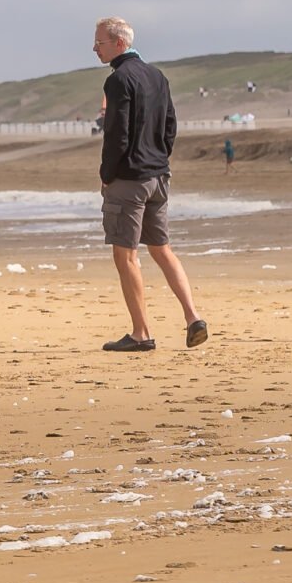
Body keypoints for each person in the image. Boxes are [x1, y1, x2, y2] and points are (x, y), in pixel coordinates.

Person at [93, 17, 207, 351]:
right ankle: (192, 316)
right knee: (161, 249)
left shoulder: (118, 80)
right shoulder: (157, 76)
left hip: (130, 178)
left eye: (99, 42)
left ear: (119, 43)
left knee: (125, 255)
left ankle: (141, 333)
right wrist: (158, 158)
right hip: (158, 176)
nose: (94, 48)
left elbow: (117, 134)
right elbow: (170, 126)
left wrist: (106, 174)